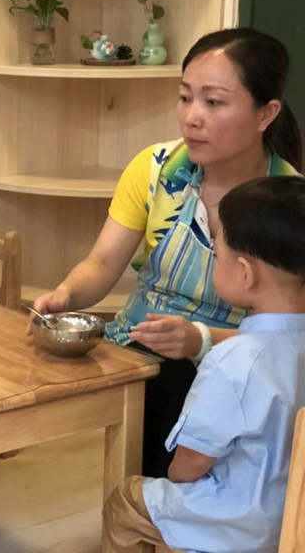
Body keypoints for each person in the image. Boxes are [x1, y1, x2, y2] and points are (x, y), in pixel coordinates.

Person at [29, 28, 302, 478]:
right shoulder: (155, 170)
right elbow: (102, 263)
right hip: (141, 350)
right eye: (185, 97)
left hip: (240, 364)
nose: (192, 118)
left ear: (265, 114)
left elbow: (290, 335)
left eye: (213, 102)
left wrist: (202, 339)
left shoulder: (288, 203)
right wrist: (66, 295)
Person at [102, 175, 305, 552]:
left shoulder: (232, 359)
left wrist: (172, 480)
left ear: (245, 273)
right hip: (294, 520)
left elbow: (190, 464)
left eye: (217, 251)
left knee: (126, 498)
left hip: (236, 525)